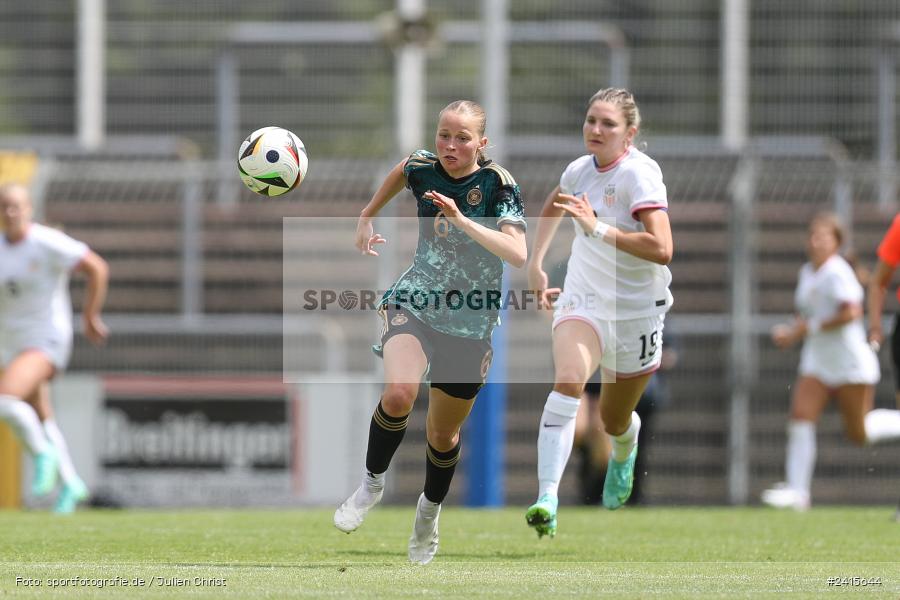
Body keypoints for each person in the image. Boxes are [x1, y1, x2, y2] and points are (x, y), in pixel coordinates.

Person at [332, 100, 526, 564]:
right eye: (444, 135)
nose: (450, 145)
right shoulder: (424, 165)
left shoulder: (498, 185)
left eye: (462, 137)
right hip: (417, 298)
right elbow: (404, 169)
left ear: (482, 143)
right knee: (399, 392)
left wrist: (463, 220)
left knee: (442, 435)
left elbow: (517, 253)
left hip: (471, 319)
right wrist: (368, 213)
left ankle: (428, 513)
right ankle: (371, 484)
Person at [525, 88, 674, 538]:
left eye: (607, 124)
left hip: (636, 313)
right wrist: (536, 261)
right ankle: (547, 498)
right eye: (591, 120)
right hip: (583, 298)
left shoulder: (640, 175)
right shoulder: (579, 170)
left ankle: (624, 451)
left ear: (630, 133)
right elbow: (557, 198)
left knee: (613, 421)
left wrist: (598, 228)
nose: (595, 129)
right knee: (569, 380)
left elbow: (663, 249)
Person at [762, 213, 900, 511]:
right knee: (800, 416)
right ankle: (798, 492)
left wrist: (807, 329)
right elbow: (807, 316)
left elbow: (851, 312)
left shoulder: (837, 272)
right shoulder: (806, 272)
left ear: (836, 243)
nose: (816, 241)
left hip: (849, 362)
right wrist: (791, 333)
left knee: (859, 433)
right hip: (818, 360)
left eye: (823, 237)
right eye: (813, 235)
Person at [0, 183, 109, 513]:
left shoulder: (46, 242)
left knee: (5, 400)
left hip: (46, 339)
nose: (9, 212)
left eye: (15, 206)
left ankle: (42, 456)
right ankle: (71, 484)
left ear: (30, 208)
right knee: (40, 416)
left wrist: (90, 316)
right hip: (10, 344)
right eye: (4, 206)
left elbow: (97, 267)